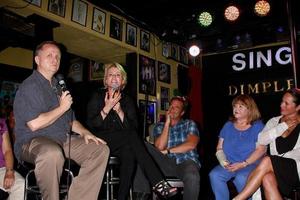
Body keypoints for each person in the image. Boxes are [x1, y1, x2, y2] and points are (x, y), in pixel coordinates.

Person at [13, 41, 109, 200]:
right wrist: (62, 107)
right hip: (33, 141)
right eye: (49, 55)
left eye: (57, 56)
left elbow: (70, 120)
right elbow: (34, 124)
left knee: (99, 150)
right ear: (37, 60)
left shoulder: (58, 87)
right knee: (51, 153)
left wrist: (85, 132)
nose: (54, 59)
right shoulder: (30, 86)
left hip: (61, 139)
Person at [86, 62, 177, 200]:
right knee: (130, 138)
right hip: (99, 141)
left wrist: (120, 111)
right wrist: (107, 107)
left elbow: (134, 129)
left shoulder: (127, 100)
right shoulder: (97, 96)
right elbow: (91, 125)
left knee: (129, 151)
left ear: (123, 80)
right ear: (105, 79)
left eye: (118, 75)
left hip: (122, 143)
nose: (114, 78)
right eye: (110, 75)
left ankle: (121, 198)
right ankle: (158, 183)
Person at [233, 89, 300, 200]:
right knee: (267, 178)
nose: (281, 105)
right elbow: (262, 140)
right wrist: (282, 126)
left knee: (267, 160)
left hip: (296, 170)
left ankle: (238, 199)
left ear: (298, 107)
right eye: (282, 101)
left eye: (286, 103)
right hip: (275, 169)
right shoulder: (274, 121)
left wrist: (275, 162)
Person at [133, 96, 201, 200]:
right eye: (171, 106)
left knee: (192, 174)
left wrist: (168, 151)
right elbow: (159, 147)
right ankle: (141, 196)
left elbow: (191, 145)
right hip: (165, 163)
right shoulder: (159, 126)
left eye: (176, 107)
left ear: (182, 112)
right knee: (140, 146)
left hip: (185, 162)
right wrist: (167, 123)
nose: (172, 109)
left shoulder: (189, 124)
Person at [209, 94, 265, 200]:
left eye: (240, 106)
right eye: (235, 106)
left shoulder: (258, 126)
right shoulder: (228, 125)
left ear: (250, 109)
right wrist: (223, 162)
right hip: (231, 163)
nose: (236, 109)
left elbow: (261, 150)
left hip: (250, 163)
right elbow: (219, 148)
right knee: (215, 175)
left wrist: (244, 164)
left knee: (241, 178)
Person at [0, 116, 24, 199]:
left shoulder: (1, 123)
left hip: (1, 168)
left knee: (21, 186)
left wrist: (9, 171)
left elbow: (7, 150)